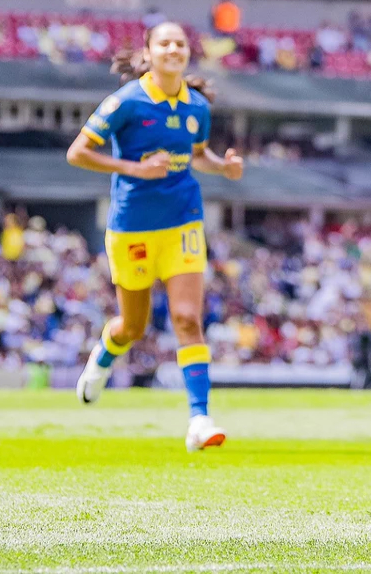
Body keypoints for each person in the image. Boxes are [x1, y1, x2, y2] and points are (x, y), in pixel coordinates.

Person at [68, 22, 245, 452]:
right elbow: (78, 153)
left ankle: (199, 420)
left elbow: (197, 155)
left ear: (188, 53)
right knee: (133, 325)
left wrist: (222, 167)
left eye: (180, 43)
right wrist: (135, 169)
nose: (173, 49)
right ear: (148, 52)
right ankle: (104, 356)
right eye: (164, 43)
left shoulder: (197, 106)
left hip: (184, 220)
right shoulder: (125, 102)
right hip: (132, 226)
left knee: (187, 318)